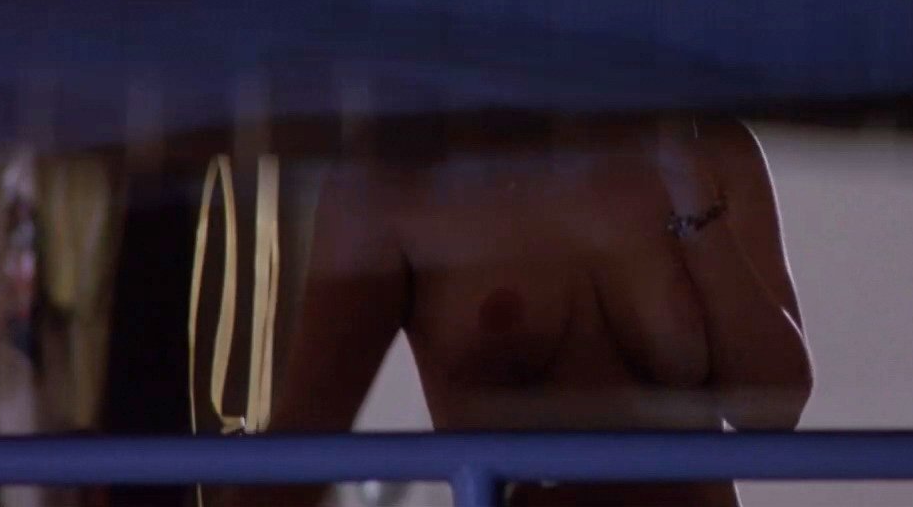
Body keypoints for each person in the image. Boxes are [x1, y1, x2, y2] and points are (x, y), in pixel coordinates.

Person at [226, 114, 811, 507]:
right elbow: (305, 440)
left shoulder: (708, 144)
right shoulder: (394, 179)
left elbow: (777, 407)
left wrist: (696, 210)